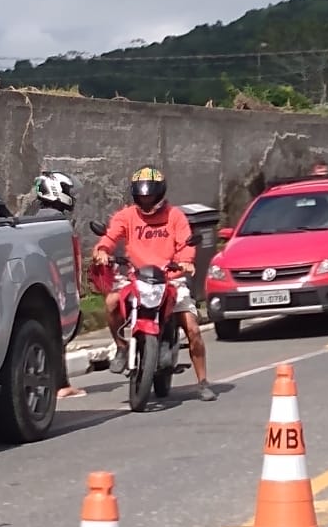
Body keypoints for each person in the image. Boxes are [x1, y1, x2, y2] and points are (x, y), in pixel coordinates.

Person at [92, 166, 216, 401]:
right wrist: (102, 251)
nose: (146, 201)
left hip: (170, 278)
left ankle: (202, 382)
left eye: (150, 196)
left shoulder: (175, 216)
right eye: (142, 196)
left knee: (192, 328)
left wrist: (186, 262)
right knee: (110, 303)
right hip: (135, 278)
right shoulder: (126, 216)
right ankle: (121, 346)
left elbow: (186, 244)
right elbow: (109, 238)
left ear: (159, 194)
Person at [30, 170, 86, 399]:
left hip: (47, 286)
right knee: (57, 335)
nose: (70, 195)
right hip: (57, 287)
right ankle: (60, 384)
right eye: (67, 190)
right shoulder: (55, 222)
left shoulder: (37, 218)